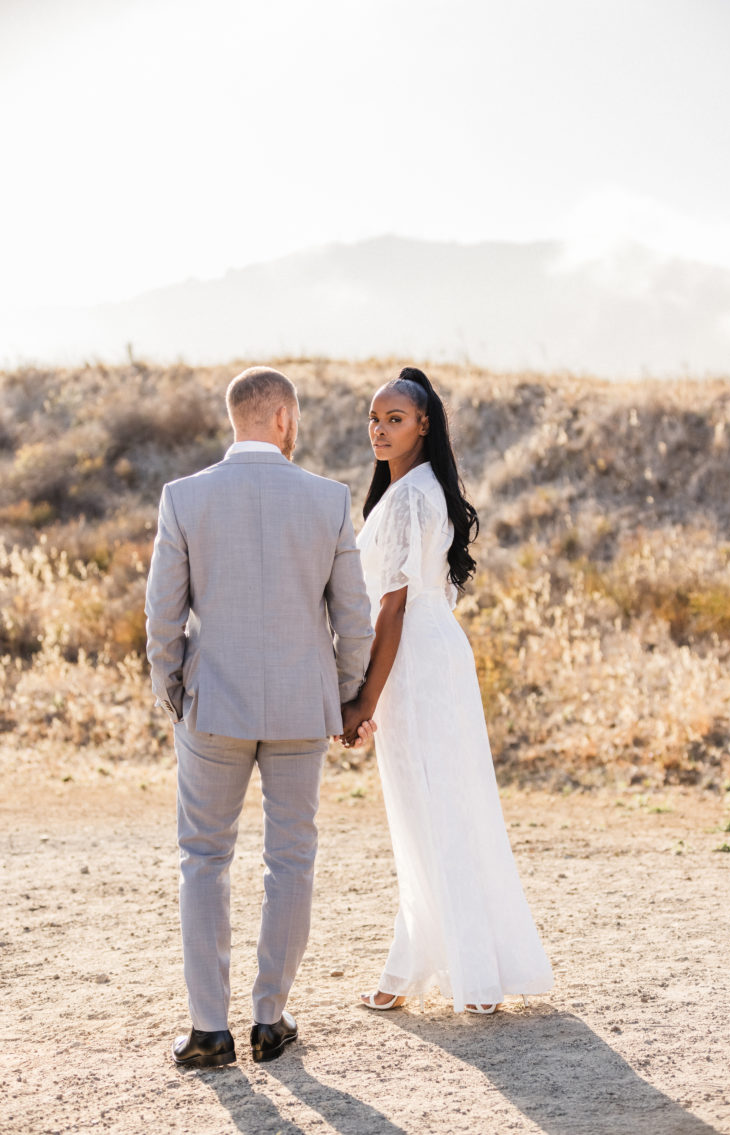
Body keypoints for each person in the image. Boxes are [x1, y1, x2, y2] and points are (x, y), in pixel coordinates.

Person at [145, 366, 374, 1067]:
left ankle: (210, 1027)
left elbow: (162, 616)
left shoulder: (184, 497)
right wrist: (342, 695)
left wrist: (175, 689)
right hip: (304, 708)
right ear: (282, 418)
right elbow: (355, 621)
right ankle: (270, 1017)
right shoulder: (329, 500)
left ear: (235, 418)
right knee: (291, 858)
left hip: (212, 703)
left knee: (204, 858)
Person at [341, 367, 553, 1014]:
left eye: (395, 419)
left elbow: (394, 610)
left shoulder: (410, 496)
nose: (380, 429)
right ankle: (431, 966)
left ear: (424, 423)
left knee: (430, 808)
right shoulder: (417, 487)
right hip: (434, 653)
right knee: (437, 808)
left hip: (415, 661)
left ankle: (465, 973)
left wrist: (362, 703)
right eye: (374, 419)